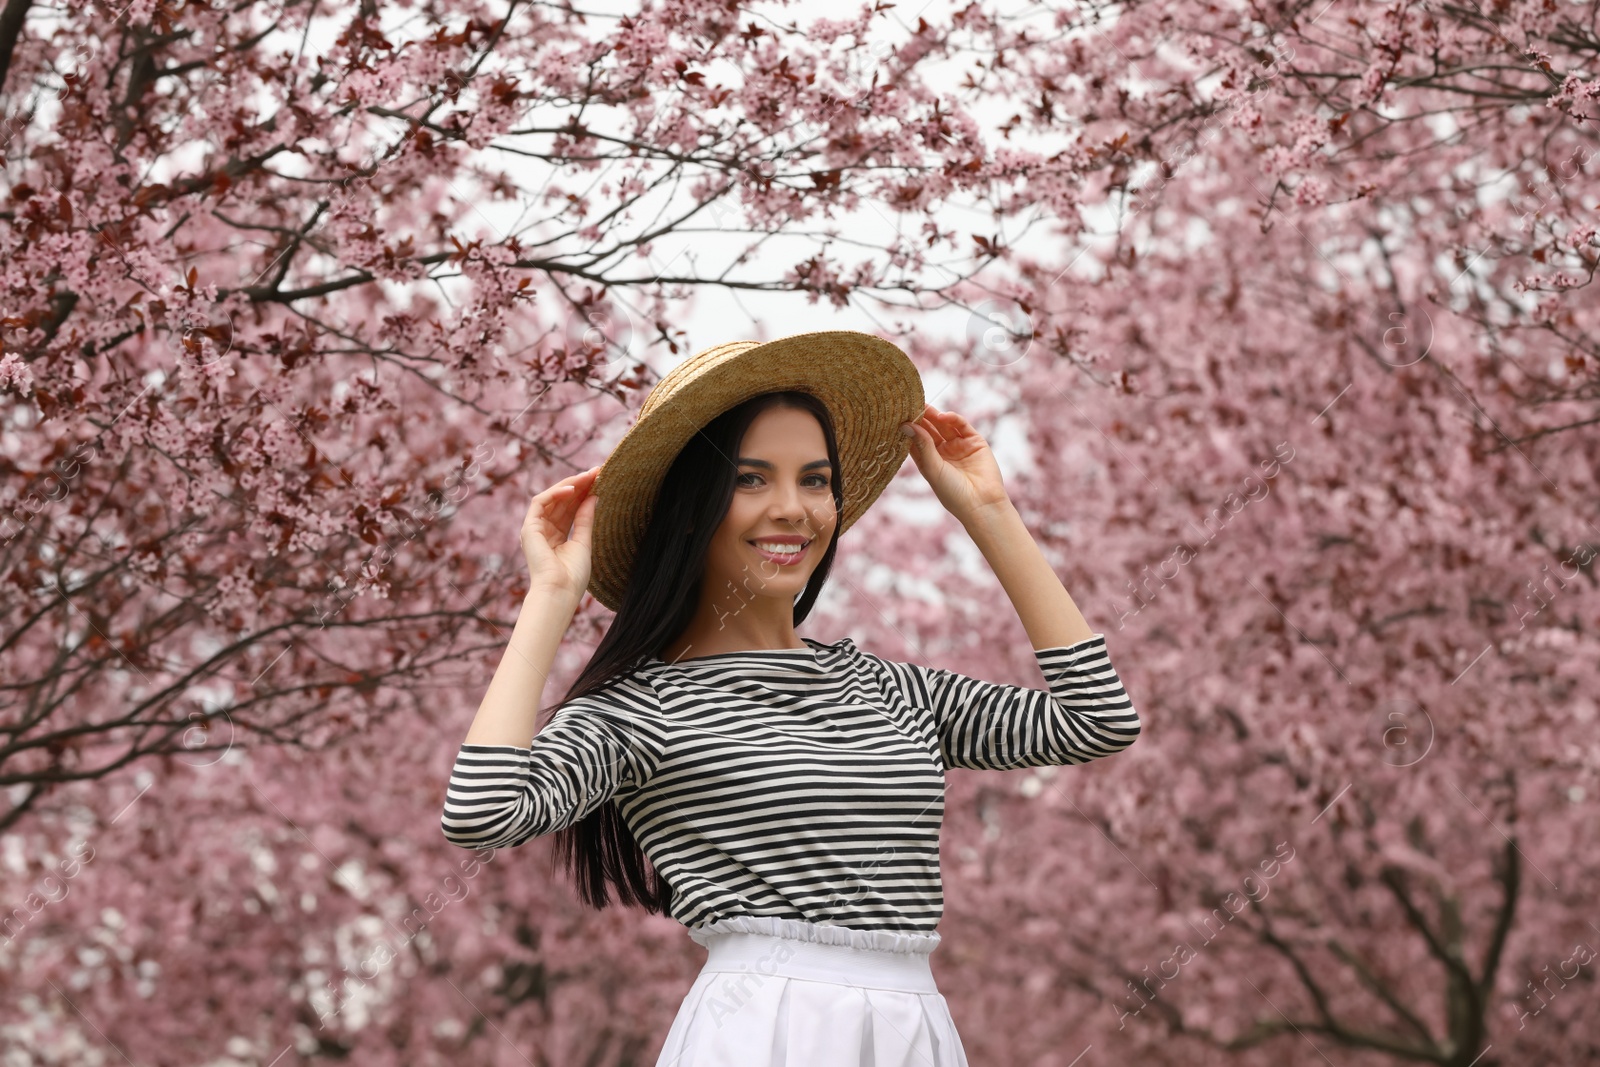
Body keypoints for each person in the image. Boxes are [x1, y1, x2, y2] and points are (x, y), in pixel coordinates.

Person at [440, 330, 1142, 1065]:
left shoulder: (889, 688)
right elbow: (482, 811)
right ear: (688, 509)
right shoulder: (642, 711)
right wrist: (553, 594)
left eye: (814, 480)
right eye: (749, 479)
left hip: (913, 1028)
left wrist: (990, 512)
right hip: (762, 1028)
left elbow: (1094, 719)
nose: (793, 509)